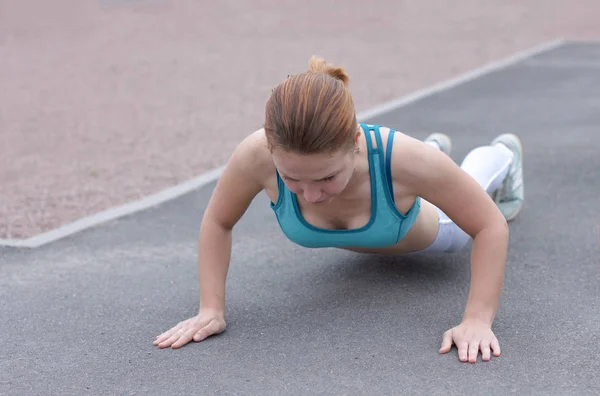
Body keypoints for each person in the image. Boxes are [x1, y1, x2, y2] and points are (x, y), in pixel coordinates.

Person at [153, 56, 524, 364]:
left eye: (326, 178)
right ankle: (434, 161)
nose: (311, 196)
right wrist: (210, 309)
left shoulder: (405, 159)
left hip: (432, 232)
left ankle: (503, 154)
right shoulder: (255, 156)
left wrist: (477, 319)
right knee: (423, 172)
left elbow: (489, 225)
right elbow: (218, 221)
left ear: (355, 141)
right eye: (293, 179)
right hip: (403, 183)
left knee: (462, 189)